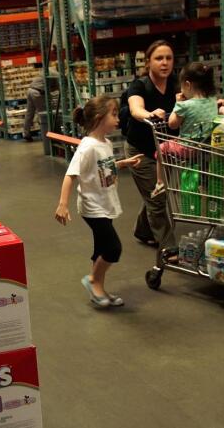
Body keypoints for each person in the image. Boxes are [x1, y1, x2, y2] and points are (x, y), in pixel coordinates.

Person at [55, 96, 143, 308]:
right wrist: (62, 204)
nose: (118, 119)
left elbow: (104, 167)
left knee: (101, 248)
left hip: (106, 203)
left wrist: (122, 163)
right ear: (98, 118)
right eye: (113, 114)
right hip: (92, 207)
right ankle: (93, 280)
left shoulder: (106, 143)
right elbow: (70, 175)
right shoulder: (88, 147)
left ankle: (99, 290)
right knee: (113, 249)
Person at [119, 40, 177, 252]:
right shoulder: (140, 85)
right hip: (140, 152)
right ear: (149, 62)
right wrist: (149, 115)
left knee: (155, 195)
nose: (164, 63)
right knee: (157, 199)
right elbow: (135, 108)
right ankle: (170, 249)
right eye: (159, 58)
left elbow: (191, 100)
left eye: (168, 58)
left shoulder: (175, 84)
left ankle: (144, 230)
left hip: (166, 150)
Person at [152, 62, 219, 196]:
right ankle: (202, 183)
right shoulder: (212, 100)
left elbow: (172, 124)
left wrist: (178, 104)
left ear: (187, 85)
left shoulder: (185, 105)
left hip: (188, 147)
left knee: (161, 149)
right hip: (207, 146)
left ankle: (160, 183)